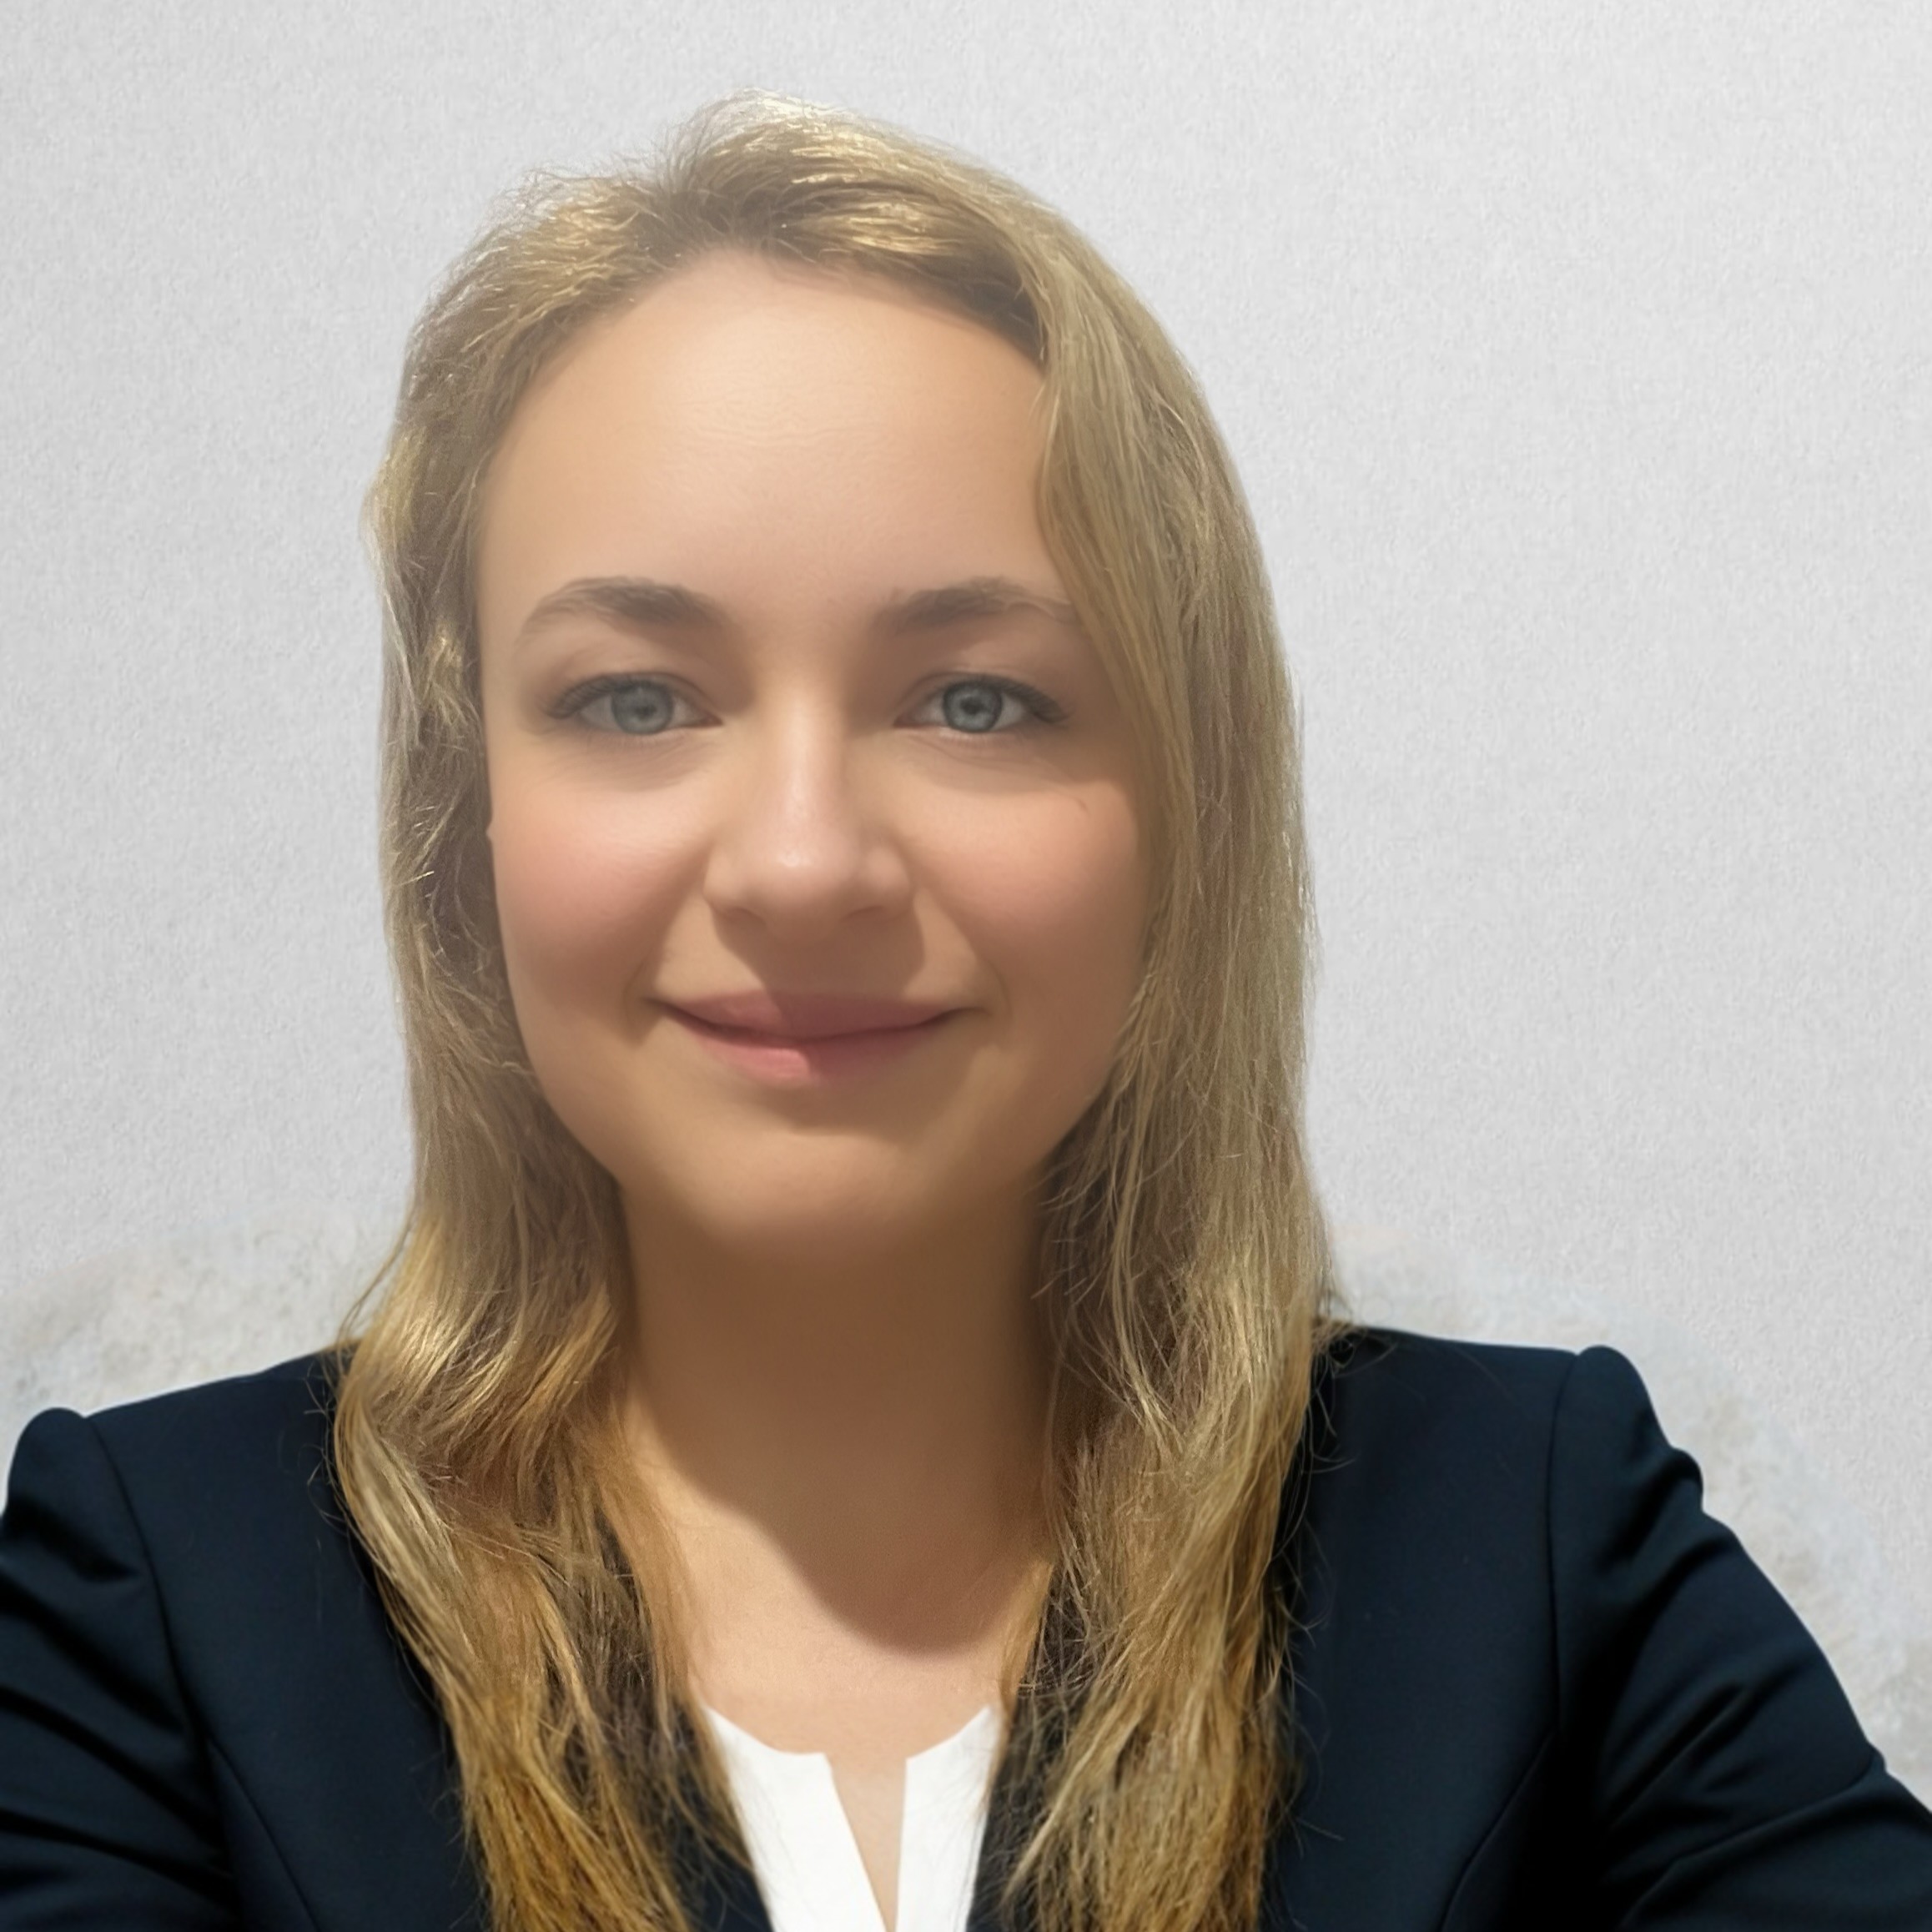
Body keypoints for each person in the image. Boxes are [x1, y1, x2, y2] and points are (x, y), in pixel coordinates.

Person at [2, 92, 1929, 1932]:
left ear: (1183, 816)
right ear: (465, 821)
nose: (802, 862)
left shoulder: (1533, 1531)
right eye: (637, 698)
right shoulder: (151, 1584)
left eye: (977, 699)